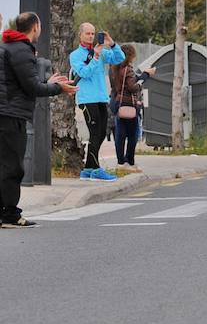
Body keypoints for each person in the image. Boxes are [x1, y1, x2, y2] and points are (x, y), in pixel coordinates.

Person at [0, 12, 78, 228]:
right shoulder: (21, 50)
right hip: (11, 115)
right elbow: (32, 87)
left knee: (6, 166)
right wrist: (58, 88)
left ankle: (4, 212)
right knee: (13, 168)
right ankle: (9, 215)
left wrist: (48, 81)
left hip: (8, 113)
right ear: (35, 27)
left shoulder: (10, 47)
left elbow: (25, 81)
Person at [69, 23, 124, 182]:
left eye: (93, 34)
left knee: (101, 133)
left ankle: (88, 169)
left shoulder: (101, 50)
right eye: (87, 33)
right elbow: (84, 72)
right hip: (87, 99)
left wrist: (111, 43)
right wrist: (96, 57)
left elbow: (119, 58)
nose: (91, 36)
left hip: (101, 97)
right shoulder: (75, 55)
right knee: (94, 133)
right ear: (80, 35)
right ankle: (96, 169)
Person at [110, 44, 150, 171]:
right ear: (130, 56)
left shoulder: (113, 69)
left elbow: (120, 85)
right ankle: (130, 162)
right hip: (129, 105)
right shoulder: (128, 69)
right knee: (133, 134)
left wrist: (143, 75)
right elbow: (132, 87)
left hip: (117, 103)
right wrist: (141, 84)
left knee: (120, 135)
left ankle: (120, 162)